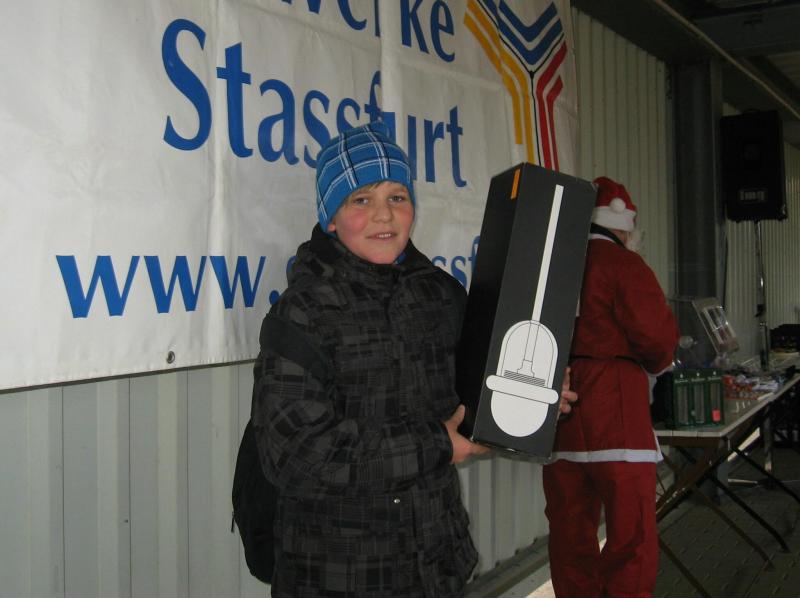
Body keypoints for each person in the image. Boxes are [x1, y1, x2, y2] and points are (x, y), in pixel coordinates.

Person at [250, 121, 491, 597]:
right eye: (361, 199)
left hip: (438, 567)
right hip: (338, 576)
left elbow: (475, 393)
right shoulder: (302, 313)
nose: (384, 214)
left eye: (397, 197)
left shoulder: (441, 296)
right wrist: (433, 445)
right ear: (331, 218)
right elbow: (296, 458)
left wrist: (534, 395)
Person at [543, 176, 680, 598]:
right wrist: (658, 365)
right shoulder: (625, 265)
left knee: (569, 534)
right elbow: (657, 340)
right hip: (618, 414)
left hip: (559, 410)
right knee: (631, 536)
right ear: (623, 227)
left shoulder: (556, 263)